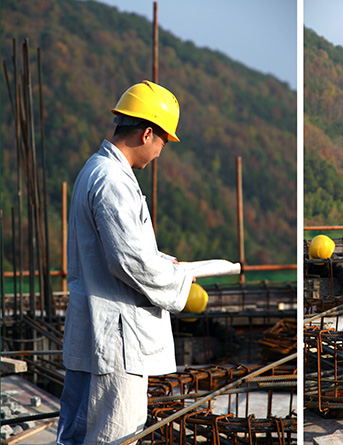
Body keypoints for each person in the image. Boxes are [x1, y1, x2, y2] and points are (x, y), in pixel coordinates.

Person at [57, 81, 197, 443]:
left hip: (98, 335)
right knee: (112, 435)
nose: (160, 154)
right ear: (147, 133)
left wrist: (164, 262)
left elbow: (123, 250)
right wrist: (178, 282)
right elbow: (129, 260)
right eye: (163, 144)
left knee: (76, 434)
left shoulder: (98, 170)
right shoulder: (112, 180)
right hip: (113, 342)